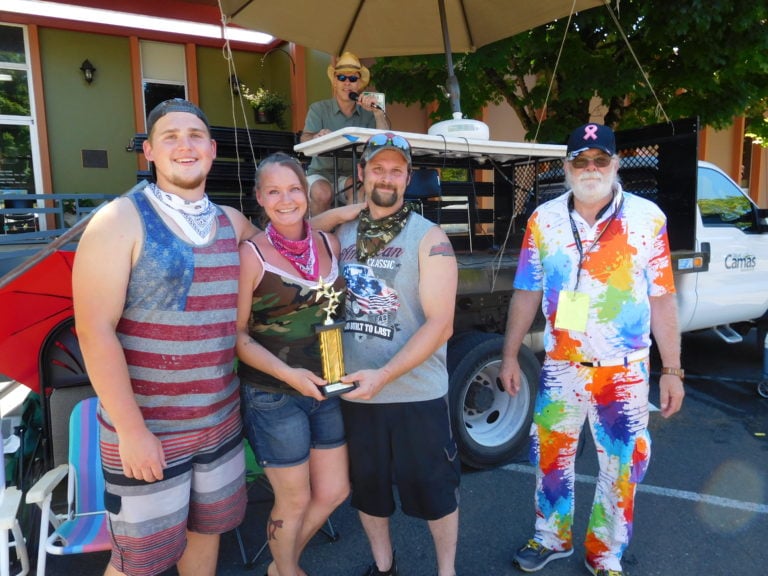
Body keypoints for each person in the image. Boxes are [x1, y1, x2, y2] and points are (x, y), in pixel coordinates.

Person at [72, 98, 255, 576]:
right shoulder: (119, 220)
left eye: (194, 135)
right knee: (139, 563)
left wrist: (335, 224)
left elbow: (285, 247)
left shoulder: (231, 223)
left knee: (206, 535)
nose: (184, 145)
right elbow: (94, 331)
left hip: (219, 421)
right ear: (149, 152)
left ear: (212, 150)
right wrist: (132, 432)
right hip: (148, 430)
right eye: (170, 137)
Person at [499, 123, 685, 576]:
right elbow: (525, 290)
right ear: (566, 167)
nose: (591, 169)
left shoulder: (648, 219)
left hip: (624, 371)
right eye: (581, 161)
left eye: (600, 160)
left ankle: (605, 553)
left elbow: (662, 298)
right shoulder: (543, 220)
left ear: (617, 165)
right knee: (550, 457)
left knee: (621, 468)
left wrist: (673, 369)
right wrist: (509, 355)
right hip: (562, 365)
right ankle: (551, 537)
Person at [336, 133, 461, 576]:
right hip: (358, 394)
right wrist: (341, 211)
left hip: (415, 394)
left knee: (435, 492)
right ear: (362, 174)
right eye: (377, 169)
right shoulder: (343, 232)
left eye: (395, 170)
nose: (386, 177)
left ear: (409, 177)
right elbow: (288, 229)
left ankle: (446, 570)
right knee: (369, 493)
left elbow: (441, 324)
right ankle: (384, 566)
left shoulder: (430, 237)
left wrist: (385, 374)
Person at [235, 152, 351, 576]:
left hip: (327, 386)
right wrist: (289, 375)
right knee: (295, 498)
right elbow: (239, 336)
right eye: (274, 191)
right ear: (260, 199)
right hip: (275, 393)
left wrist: (334, 372)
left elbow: (332, 314)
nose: (286, 199)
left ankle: (280, 565)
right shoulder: (252, 254)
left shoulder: (329, 243)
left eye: (294, 189)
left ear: (306, 193)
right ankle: (287, 570)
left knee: (336, 489)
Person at [301, 51, 388, 215]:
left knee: (361, 192)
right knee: (322, 193)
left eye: (353, 78)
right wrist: (316, 137)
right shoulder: (318, 109)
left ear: (359, 84)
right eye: (341, 77)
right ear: (334, 81)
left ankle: (346, 238)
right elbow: (304, 138)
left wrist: (377, 113)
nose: (347, 83)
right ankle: (319, 238)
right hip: (321, 173)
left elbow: (383, 141)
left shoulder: (369, 113)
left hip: (351, 175)